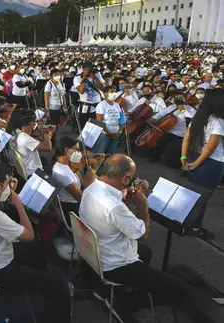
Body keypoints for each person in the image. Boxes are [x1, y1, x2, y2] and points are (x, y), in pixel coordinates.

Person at [79, 155, 187, 322]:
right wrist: (142, 203)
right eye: (132, 178)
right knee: (178, 290)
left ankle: (116, 290)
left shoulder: (91, 187)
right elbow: (142, 235)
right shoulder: (114, 206)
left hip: (95, 252)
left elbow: (114, 217)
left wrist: (126, 200)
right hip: (114, 265)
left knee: (146, 253)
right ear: (125, 178)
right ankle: (125, 304)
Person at [0, 161, 70, 323]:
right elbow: (29, 235)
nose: (8, 187)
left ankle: (43, 294)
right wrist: (18, 204)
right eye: (6, 184)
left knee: (38, 254)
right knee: (59, 285)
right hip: (1, 271)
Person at [181, 90, 224, 238]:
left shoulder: (200, 117)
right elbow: (211, 147)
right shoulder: (218, 121)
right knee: (202, 198)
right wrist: (197, 164)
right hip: (211, 164)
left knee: (192, 194)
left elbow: (187, 137)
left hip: (194, 156)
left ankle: (185, 223)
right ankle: (195, 228)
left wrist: (184, 157)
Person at [51, 136, 98, 220]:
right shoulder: (63, 173)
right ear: (66, 150)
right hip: (72, 208)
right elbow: (81, 198)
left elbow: (79, 181)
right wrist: (94, 169)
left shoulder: (63, 165)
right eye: (76, 149)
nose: (78, 152)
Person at [15, 112, 54, 178]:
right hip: (34, 172)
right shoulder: (27, 139)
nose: (37, 123)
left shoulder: (21, 135)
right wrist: (48, 134)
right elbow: (48, 147)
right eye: (36, 121)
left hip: (29, 169)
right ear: (32, 123)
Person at [93, 85, 124, 154]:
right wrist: (109, 133)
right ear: (105, 93)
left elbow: (122, 120)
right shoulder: (102, 105)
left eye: (115, 91)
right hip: (104, 134)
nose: (114, 93)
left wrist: (119, 132)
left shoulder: (117, 105)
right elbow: (99, 122)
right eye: (111, 91)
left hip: (116, 135)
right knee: (100, 154)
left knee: (110, 154)